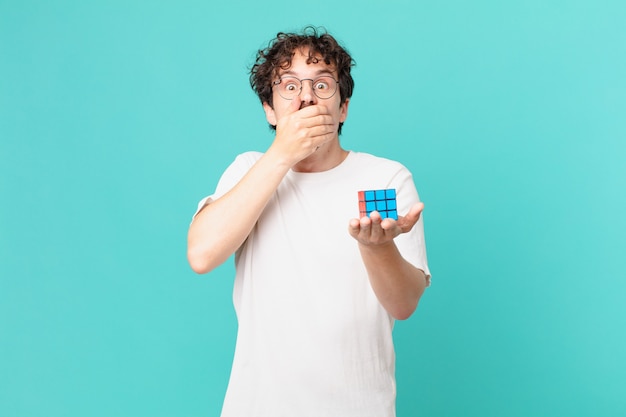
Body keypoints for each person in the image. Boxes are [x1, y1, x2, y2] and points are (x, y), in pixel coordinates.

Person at [187, 26, 431, 417]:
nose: (305, 97)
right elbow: (201, 254)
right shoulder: (249, 170)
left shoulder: (383, 178)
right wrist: (282, 154)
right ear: (269, 109)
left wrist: (378, 247)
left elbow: (403, 304)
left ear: (343, 107)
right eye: (288, 86)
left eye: (321, 85)